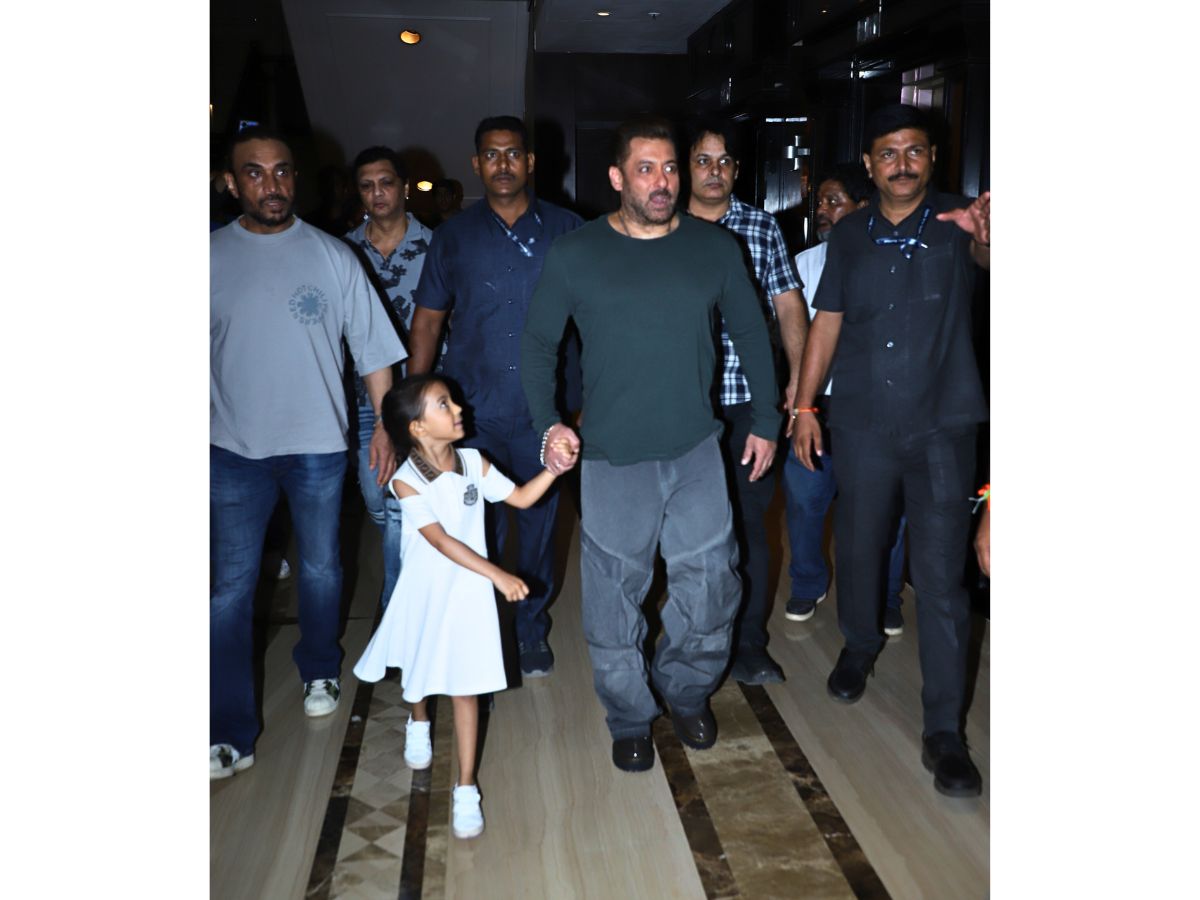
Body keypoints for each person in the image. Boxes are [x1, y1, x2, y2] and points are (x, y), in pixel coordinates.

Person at [521, 115, 779, 773]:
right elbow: (539, 344)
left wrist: (768, 419)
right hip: (612, 457)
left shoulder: (714, 248)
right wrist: (550, 423)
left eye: (669, 168)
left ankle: (685, 690)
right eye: (645, 169)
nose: (662, 182)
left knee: (713, 587)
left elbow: (753, 334)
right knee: (614, 598)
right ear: (616, 177)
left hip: (697, 449)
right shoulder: (576, 254)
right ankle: (630, 716)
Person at [792, 104, 990, 797]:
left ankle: (945, 734)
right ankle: (860, 643)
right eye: (888, 153)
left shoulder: (961, 221)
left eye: (914, 151)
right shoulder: (849, 234)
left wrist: (990, 239)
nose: (901, 164)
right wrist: (805, 406)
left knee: (940, 580)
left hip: (943, 430)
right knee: (860, 545)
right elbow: (827, 322)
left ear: (932, 156)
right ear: (870, 164)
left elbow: (989, 260)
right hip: (863, 426)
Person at [210, 126, 406, 780]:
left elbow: (374, 352)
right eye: (255, 172)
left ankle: (320, 667)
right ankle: (226, 728)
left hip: (319, 446)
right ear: (231, 183)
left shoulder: (332, 256)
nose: (272, 185)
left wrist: (384, 428)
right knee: (229, 591)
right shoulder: (206, 258)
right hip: (231, 450)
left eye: (282, 171)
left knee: (321, 569)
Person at [353, 375, 576, 838]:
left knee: (465, 687)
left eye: (452, 400)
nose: (459, 408)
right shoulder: (406, 481)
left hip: (468, 594)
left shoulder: (474, 461)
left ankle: (466, 787)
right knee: (418, 668)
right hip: (426, 590)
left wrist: (553, 469)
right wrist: (498, 574)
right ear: (417, 428)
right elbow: (440, 541)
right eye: (443, 404)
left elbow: (520, 498)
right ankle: (418, 719)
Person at [409, 116, 583, 678]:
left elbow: (597, 321)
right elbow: (428, 321)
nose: (502, 164)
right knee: (473, 526)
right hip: (471, 414)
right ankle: (482, 630)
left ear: (530, 162)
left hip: (543, 411)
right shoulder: (452, 237)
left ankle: (530, 629)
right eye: (491, 154)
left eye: (513, 154)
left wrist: (588, 400)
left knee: (537, 529)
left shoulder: (568, 230)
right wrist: (412, 405)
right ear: (476, 164)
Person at [683, 117, 807, 686]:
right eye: (703, 161)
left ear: (737, 169)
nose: (714, 172)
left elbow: (788, 304)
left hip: (748, 406)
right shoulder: (664, 226)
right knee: (684, 530)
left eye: (724, 161)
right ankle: (692, 641)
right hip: (680, 404)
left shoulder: (760, 227)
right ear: (685, 167)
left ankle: (750, 644)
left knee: (751, 526)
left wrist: (798, 383)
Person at [782, 163, 909, 635]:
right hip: (819, 406)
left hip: (878, 409)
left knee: (886, 509)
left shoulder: (893, 260)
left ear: (863, 207)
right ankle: (807, 581)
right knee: (805, 500)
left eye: (834, 201)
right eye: (820, 201)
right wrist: (798, 399)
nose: (823, 210)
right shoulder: (804, 264)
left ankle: (887, 594)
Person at [343, 145, 434, 610]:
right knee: (376, 497)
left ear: (403, 187)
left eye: (386, 183)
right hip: (361, 398)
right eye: (367, 185)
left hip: (417, 398)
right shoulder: (342, 251)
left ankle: (396, 608)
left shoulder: (436, 246)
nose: (377, 193)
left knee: (401, 503)